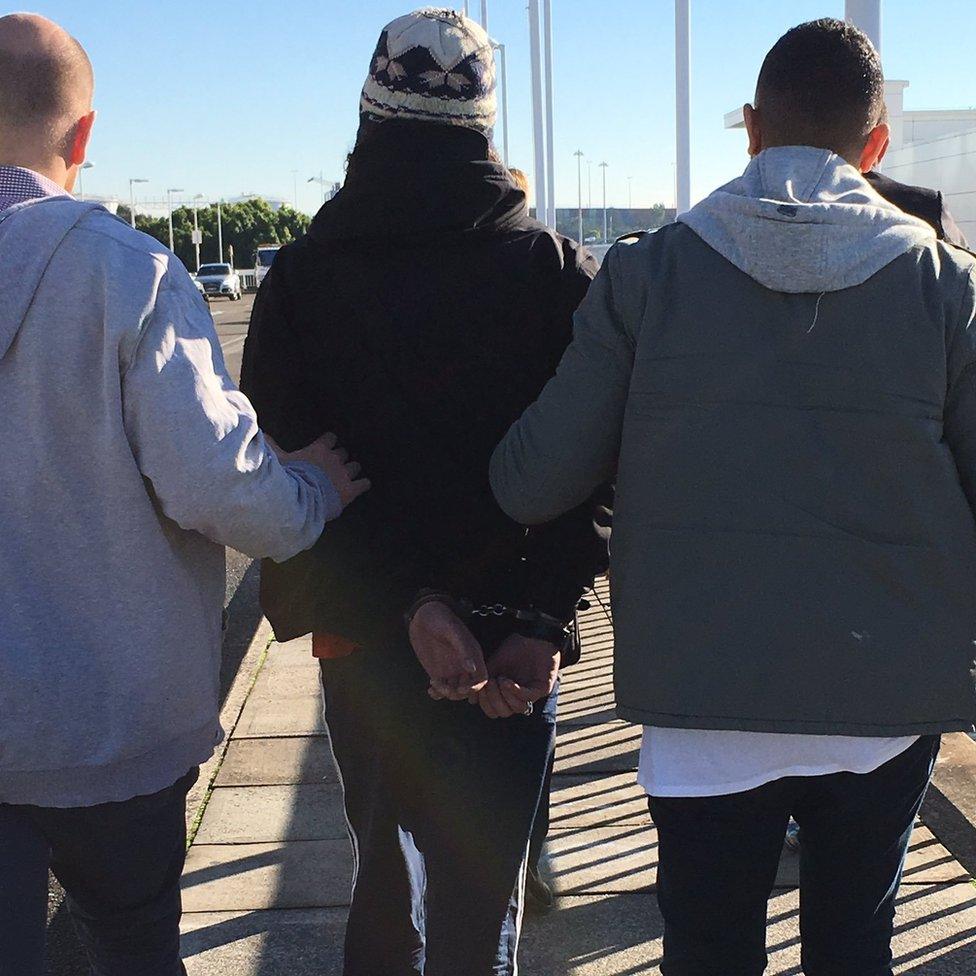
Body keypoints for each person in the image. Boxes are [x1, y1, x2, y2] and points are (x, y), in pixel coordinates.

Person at [490, 19, 976, 976]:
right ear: (875, 145)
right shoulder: (944, 286)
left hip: (700, 699)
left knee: (707, 952)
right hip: (883, 690)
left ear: (750, 129)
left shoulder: (646, 272)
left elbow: (531, 482)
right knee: (855, 947)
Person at [0, 14, 368, 976]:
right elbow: (222, 490)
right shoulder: (125, 274)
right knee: (128, 946)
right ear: (82, 137)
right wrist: (313, 492)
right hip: (108, 725)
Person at [240, 9, 606, 974]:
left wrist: (411, 602)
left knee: (384, 886)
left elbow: (278, 485)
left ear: (369, 119)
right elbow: (596, 471)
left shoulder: (303, 282)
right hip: (513, 650)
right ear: (485, 129)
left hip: (365, 632)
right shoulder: (556, 276)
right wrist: (540, 616)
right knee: (482, 909)